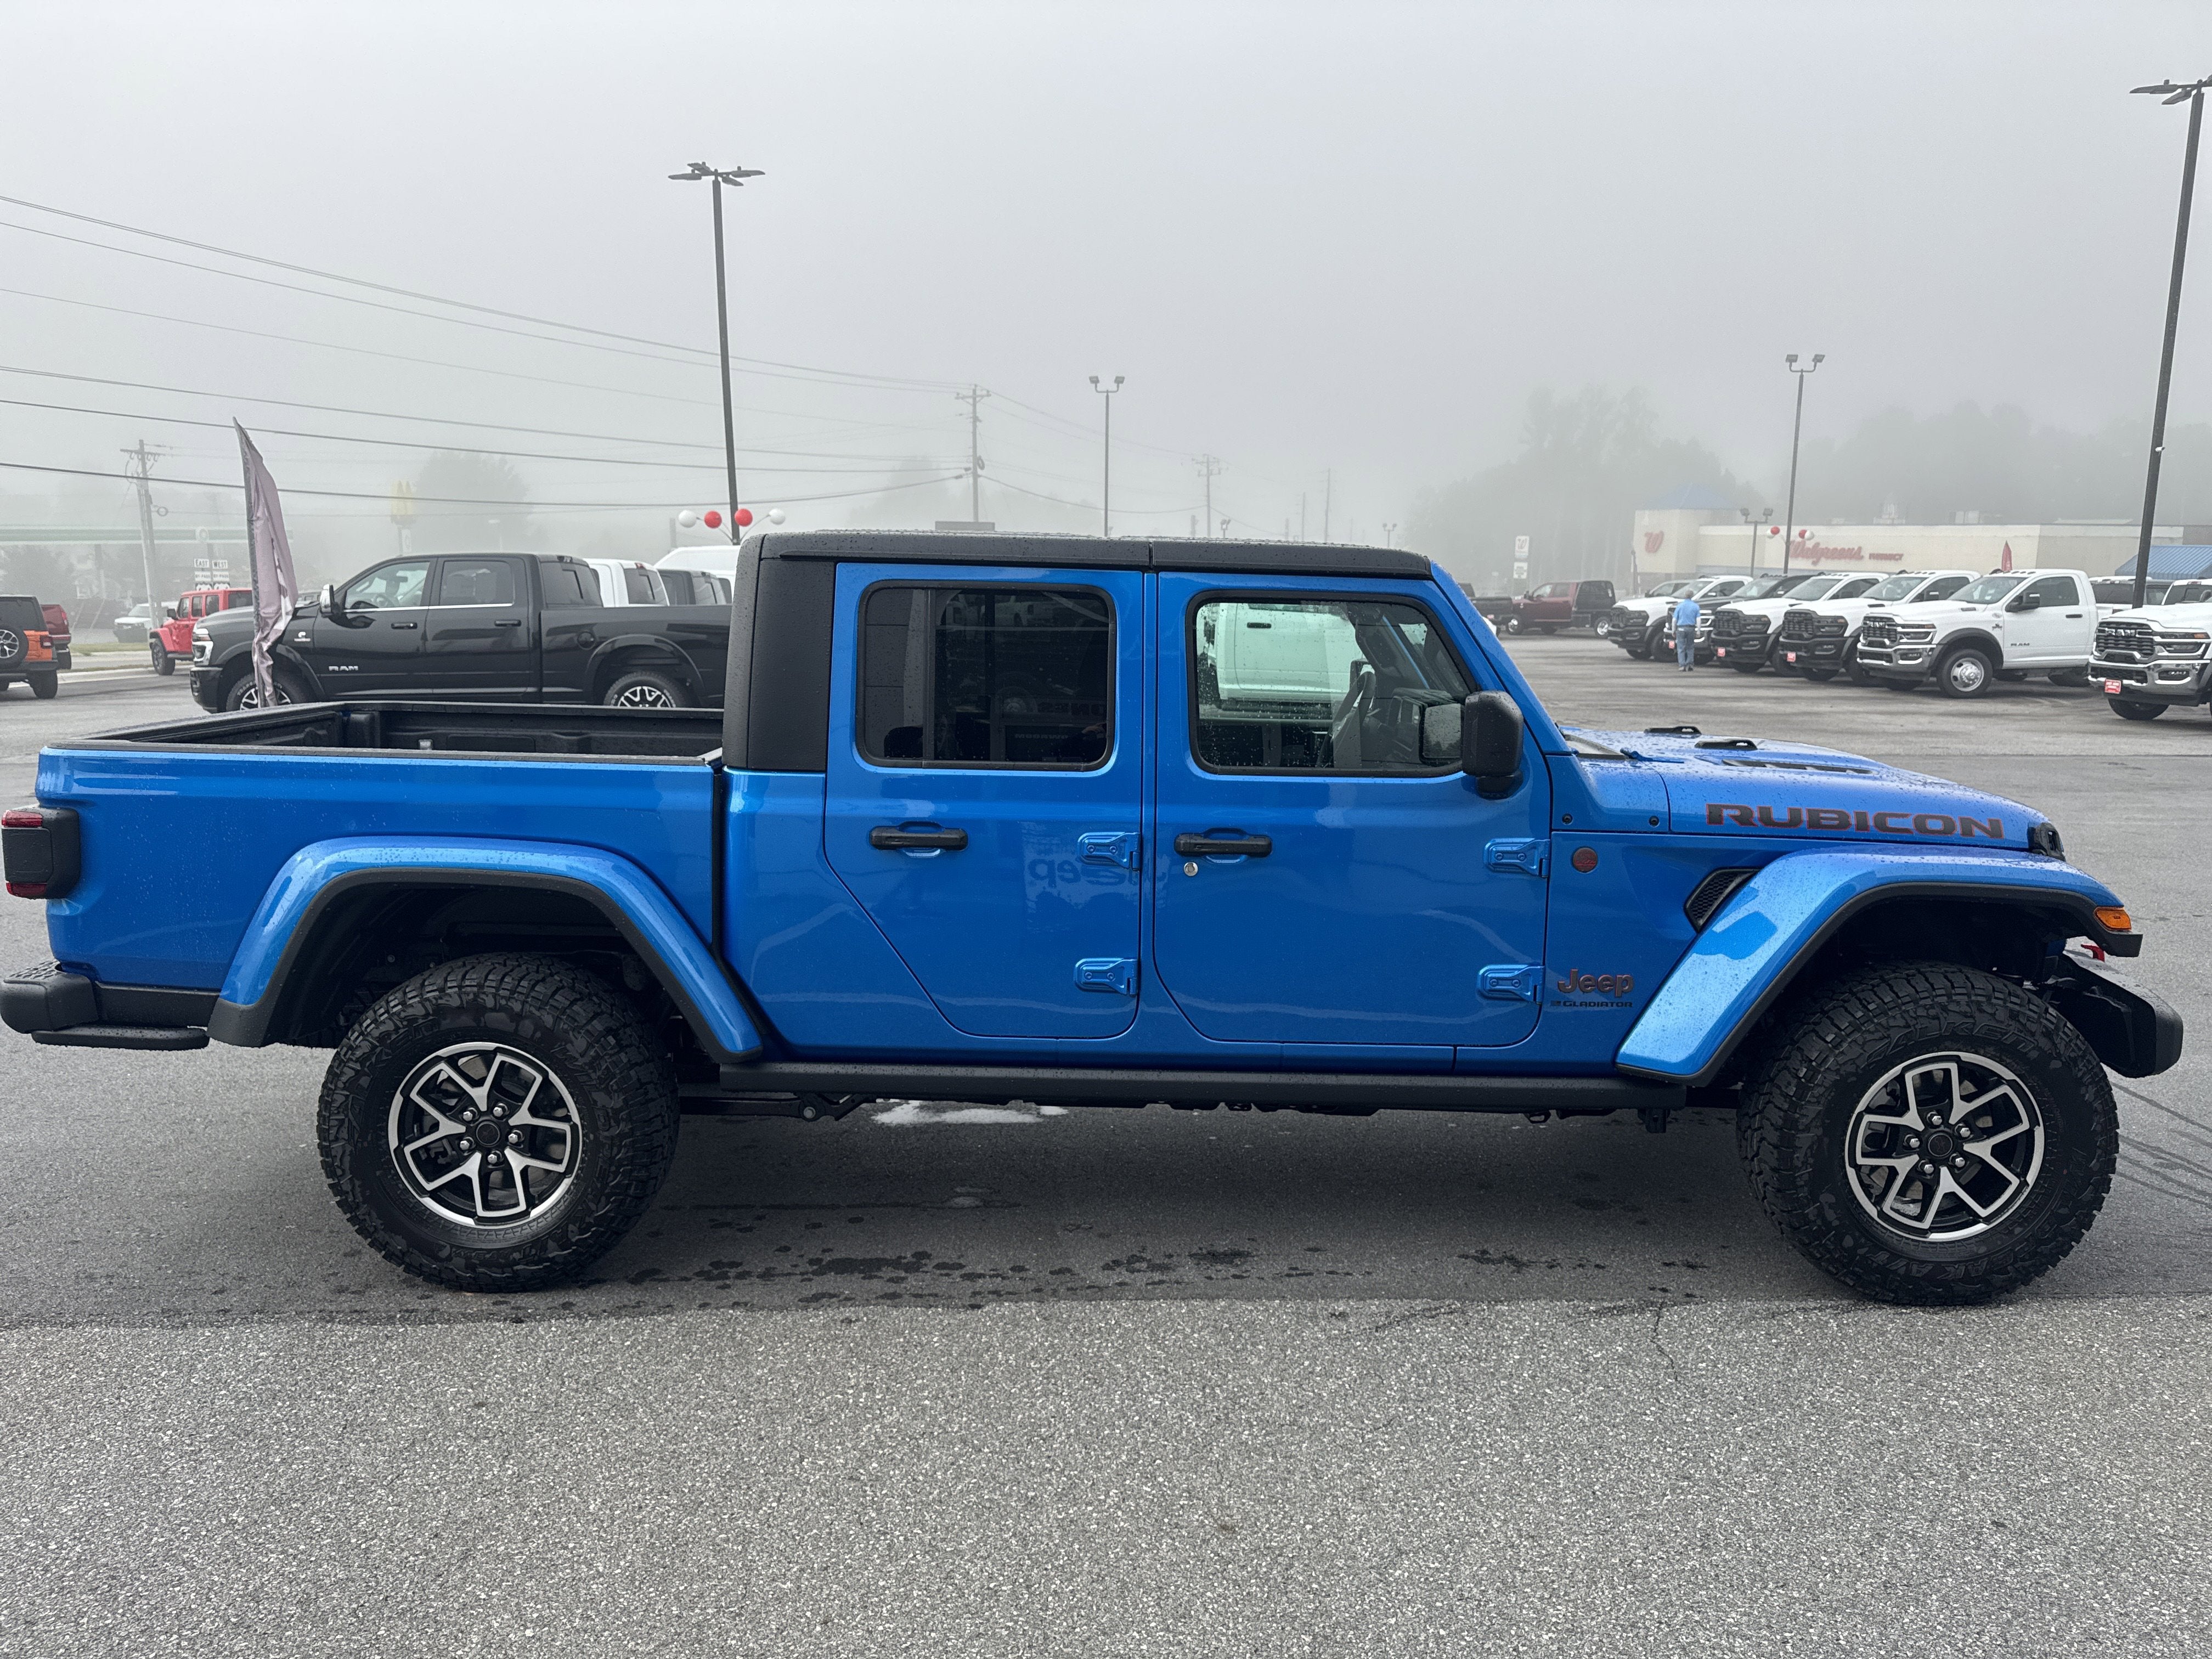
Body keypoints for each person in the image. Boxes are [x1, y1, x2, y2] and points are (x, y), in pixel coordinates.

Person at [1672, 591, 1701, 672]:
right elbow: (1698, 619)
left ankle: (1682, 665)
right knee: (1690, 647)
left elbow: (1674, 620)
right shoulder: (1696, 606)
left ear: (1685, 596)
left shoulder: (1680, 606)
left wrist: (1673, 630)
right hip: (1691, 629)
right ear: (1692, 596)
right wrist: (1698, 631)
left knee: (1681, 648)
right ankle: (1690, 664)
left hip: (1681, 628)